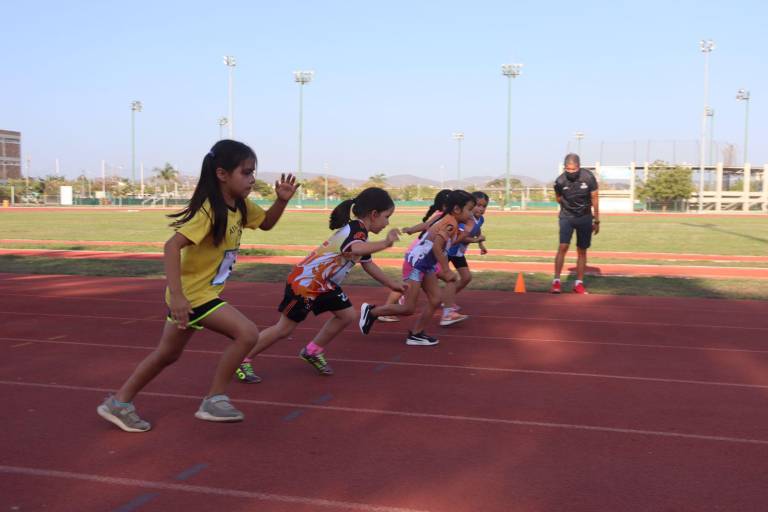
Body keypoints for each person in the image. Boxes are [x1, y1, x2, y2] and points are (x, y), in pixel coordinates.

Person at [97, 140, 298, 432]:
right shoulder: (209, 211)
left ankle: (119, 402)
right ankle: (214, 399)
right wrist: (177, 297)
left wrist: (282, 201)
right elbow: (171, 246)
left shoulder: (240, 206)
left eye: (254, 172)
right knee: (247, 333)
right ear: (222, 173)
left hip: (199, 294)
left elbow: (266, 223)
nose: (253, 179)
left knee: (167, 355)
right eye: (246, 172)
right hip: (192, 295)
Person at [235, 187, 404, 379]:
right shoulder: (356, 230)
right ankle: (242, 359)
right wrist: (385, 243)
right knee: (284, 329)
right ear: (374, 214)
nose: (387, 222)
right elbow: (357, 249)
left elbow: (368, 264)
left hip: (324, 285)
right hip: (306, 285)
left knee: (346, 315)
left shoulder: (361, 234)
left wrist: (392, 284)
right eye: (386, 216)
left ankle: (312, 351)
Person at [359, 190, 476, 346]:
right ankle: (372, 312)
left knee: (435, 299)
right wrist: (446, 270)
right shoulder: (450, 223)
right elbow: (437, 247)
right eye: (469, 209)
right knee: (408, 308)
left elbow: (428, 228)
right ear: (456, 209)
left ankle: (416, 334)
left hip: (426, 265)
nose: (471, 213)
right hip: (416, 265)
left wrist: (411, 230)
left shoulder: (444, 218)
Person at [376, 189, 451, 323]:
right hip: (419, 255)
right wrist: (410, 230)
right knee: (445, 278)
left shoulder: (446, 217)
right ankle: (386, 309)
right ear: (447, 206)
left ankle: (447, 307)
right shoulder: (442, 217)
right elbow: (426, 226)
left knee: (414, 284)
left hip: (426, 256)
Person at [551, 153, 599, 294]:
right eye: (568, 169)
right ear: (564, 167)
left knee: (582, 250)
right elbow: (558, 198)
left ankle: (578, 283)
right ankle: (556, 282)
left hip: (585, 217)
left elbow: (595, 198)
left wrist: (597, 219)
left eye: (574, 169)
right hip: (567, 216)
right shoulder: (559, 181)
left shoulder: (588, 178)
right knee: (563, 246)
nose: (571, 172)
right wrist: (569, 206)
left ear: (579, 167)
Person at [441, 190, 489, 315]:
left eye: (484, 206)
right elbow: (458, 238)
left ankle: (446, 300)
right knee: (427, 276)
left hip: (458, 253)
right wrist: (476, 240)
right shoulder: (465, 219)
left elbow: (478, 230)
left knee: (466, 278)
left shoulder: (480, 219)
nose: (481, 209)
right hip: (447, 251)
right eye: (478, 205)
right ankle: (404, 293)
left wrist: (481, 244)